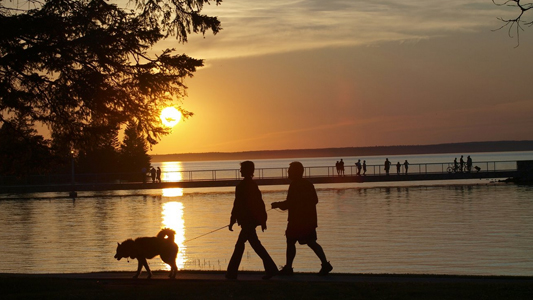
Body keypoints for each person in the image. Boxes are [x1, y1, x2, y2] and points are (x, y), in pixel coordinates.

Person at [271, 161, 333, 276]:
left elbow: (290, 203)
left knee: (291, 242)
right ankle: (325, 264)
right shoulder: (308, 184)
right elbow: (315, 200)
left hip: (297, 221)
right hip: (309, 220)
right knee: (311, 242)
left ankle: (289, 268)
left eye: (290, 170)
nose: (288, 172)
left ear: (296, 172)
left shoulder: (294, 185)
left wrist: (277, 204)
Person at [226, 161, 278, 280]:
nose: (240, 171)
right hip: (250, 221)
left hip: (247, 221)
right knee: (253, 245)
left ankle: (232, 273)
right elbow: (260, 203)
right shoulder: (252, 185)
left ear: (246, 170)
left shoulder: (241, 186)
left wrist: (232, 219)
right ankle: (271, 269)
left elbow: (238, 205)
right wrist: (263, 219)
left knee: (242, 245)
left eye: (241, 169)